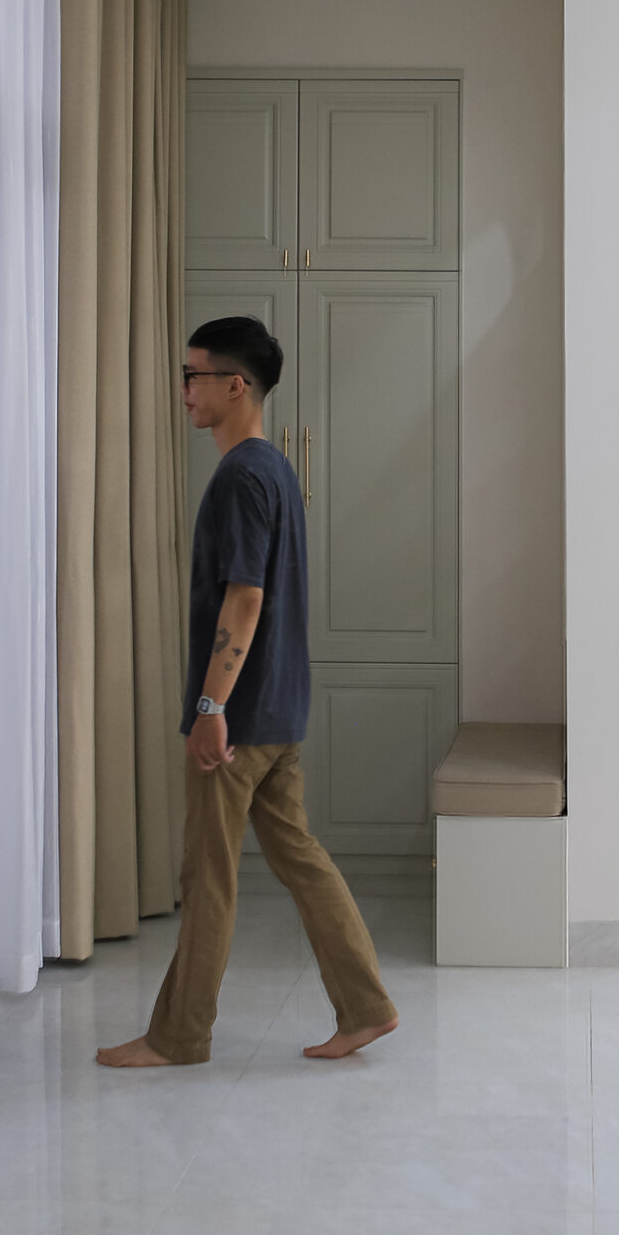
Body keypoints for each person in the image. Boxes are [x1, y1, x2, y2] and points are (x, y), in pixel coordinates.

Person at [97, 316, 400, 1067]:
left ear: (236, 386)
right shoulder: (275, 469)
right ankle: (366, 1007)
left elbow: (245, 598)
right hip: (278, 709)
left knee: (208, 877)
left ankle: (179, 1036)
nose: (184, 389)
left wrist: (210, 707)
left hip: (237, 718)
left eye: (193, 375)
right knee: (300, 858)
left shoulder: (240, 476)